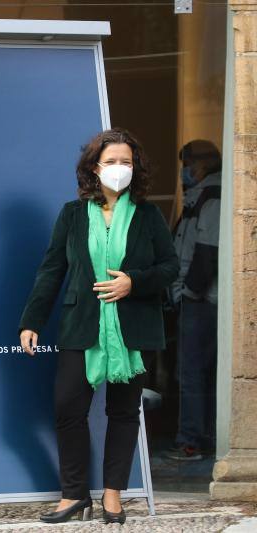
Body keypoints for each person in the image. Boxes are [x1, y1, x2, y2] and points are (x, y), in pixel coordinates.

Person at [19, 128, 178, 524]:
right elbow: (52, 268)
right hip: (82, 325)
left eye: (126, 161)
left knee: (123, 413)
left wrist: (133, 282)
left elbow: (170, 266)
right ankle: (74, 496)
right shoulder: (73, 214)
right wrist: (32, 319)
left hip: (131, 328)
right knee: (67, 409)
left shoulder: (148, 214)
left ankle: (112, 496)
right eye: (111, 161)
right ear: (95, 168)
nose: (119, 168)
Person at [167, 140, 222, 461]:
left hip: (202, 301)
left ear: (200, 165)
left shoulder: (211, 197)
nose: (183, 171)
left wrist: (186, 292)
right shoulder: (200, 195)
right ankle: (202, 437)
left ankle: (191, 440)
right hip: (200, 298)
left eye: (186, 164)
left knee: (192, 371)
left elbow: (207, 251)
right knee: (198, 370)